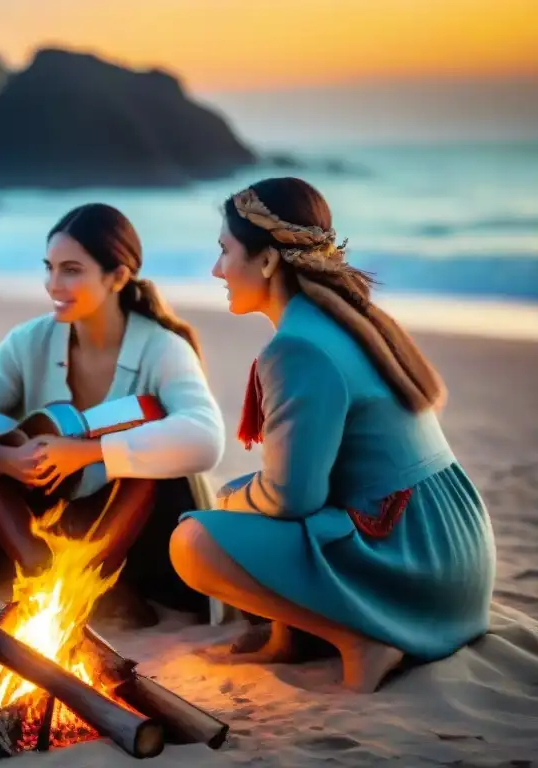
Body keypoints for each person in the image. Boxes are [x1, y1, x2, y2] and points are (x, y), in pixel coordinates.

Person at [169, 177, 497, 692]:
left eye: (224, 251)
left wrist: (232, 501)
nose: (217, 270)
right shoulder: (344, 319)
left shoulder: (298, 348)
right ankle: (292, 639)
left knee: (193, 541)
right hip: (456, 550)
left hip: (414, 557)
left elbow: (292, 499)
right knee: (243, 503)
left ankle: (364, 640)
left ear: (269, 260)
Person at [0, 203, 226, 628]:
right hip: (34, 527)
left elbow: (206, 437)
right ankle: (36, 570)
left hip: (133, 542)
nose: (53, 284)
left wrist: (87, 453)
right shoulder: (30, 341)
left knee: (154, 440)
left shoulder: (162, 348)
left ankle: (93, 580)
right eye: (48, 268)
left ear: (118, 277)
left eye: (71, 270)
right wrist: (0, 458)